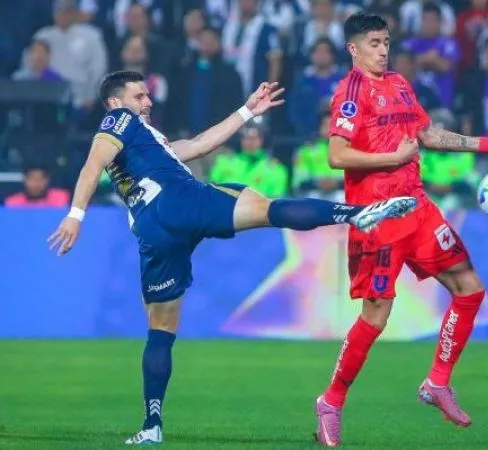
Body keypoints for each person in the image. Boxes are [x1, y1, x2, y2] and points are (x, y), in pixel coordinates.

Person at [47, 70, 418, 445]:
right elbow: (92, 164)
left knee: (161, 328)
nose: (148, 102)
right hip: (178, 200)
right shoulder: (118, 119)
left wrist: (246, 111)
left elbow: (198, 145)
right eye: (139, 96)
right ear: (115, 102)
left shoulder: (146, 142)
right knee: (266, 208)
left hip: (153, 231)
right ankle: (355, 214)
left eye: (147, 95)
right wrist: (75, 215)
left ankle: (151, 424)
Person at [314, 13, 488, 447]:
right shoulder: (350, 92)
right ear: (353, 49)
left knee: (469, 288)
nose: (383, 50)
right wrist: (391, 159)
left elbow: (427, 134)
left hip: (418, 209)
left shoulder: (400, 84)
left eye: (386, 41)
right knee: (376, 316)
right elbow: (336, 155)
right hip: (378, 217)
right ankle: (331, 402)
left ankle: (437, 382)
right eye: (374, 43)